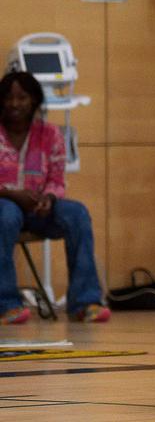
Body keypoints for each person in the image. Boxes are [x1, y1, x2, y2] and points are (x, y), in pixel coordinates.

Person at [0, 71, 110, 325]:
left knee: (77, 213)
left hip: (39, 208)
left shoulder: (50, 134)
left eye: (22, 97)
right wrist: (12, 194)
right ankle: (6, 304)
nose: (15, 104)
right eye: (9, 98)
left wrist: (49, 198)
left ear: (35, 100)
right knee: (5, 214)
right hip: (4, 205)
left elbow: (57, 180)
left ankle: (84, 302)